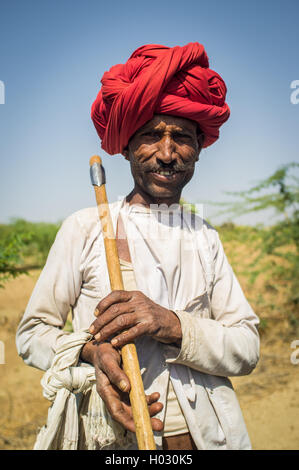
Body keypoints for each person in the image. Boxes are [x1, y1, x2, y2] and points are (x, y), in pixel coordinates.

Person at [16, 42, 259, 451]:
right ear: (127, 145)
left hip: (208, 438)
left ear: (199, 147)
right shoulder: (85, 228)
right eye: (151, 135)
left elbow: (247, 346)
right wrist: (90, 354)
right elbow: (32, 334)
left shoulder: (205, 237)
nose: (167, 154)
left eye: (181, 137)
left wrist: (173, 324)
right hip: (111, 439)